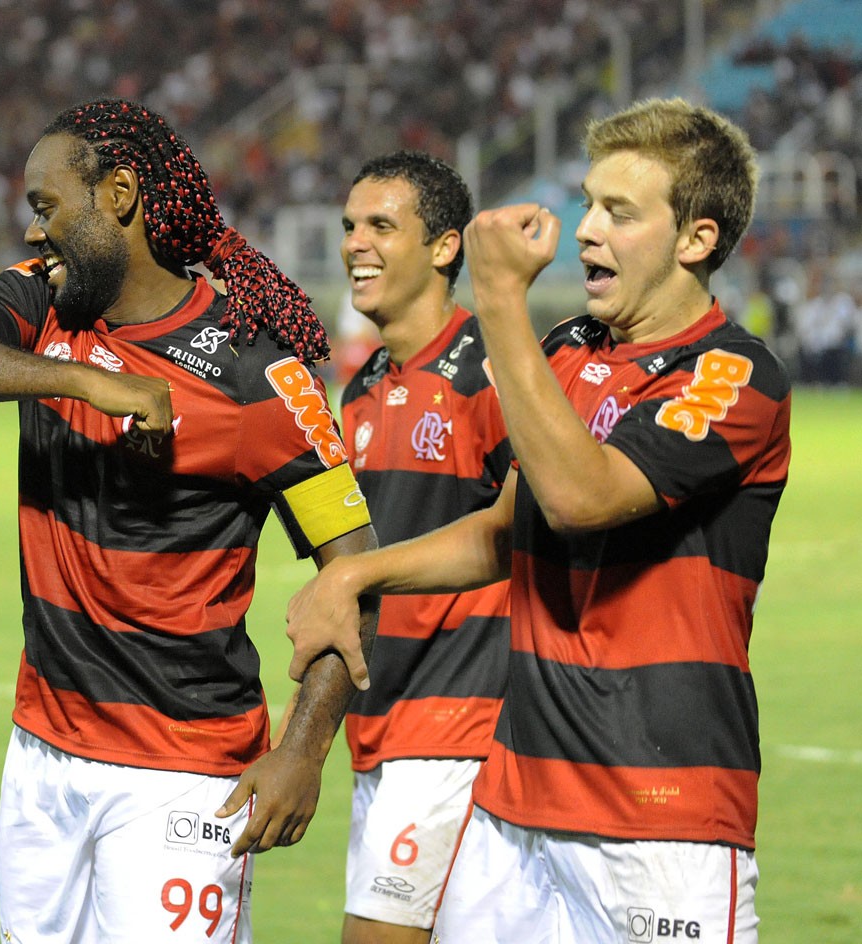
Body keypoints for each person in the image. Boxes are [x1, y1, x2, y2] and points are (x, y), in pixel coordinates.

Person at [285, 98, 791, 943]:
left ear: (697, 239)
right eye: (588, 202)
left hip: (661, 815)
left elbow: (582, 499)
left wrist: (497, 301)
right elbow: (503, 528)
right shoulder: (569, 349)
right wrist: (357, 572)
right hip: (515, 810)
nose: (587, 229)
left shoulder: (733, 372)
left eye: (620, 213)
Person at [0, 98, 379, 944]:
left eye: (46, 207)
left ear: (119, 194)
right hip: (42, 755)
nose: (33, 233)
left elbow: (359, 568)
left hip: (182, 774)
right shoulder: (43, 307)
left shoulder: (253, 374)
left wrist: (304, 748)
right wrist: (86, 382)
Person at [326, 152, 510, 944]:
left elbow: (525, 532)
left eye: (380, 226)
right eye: (349, 227)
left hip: (459, 728)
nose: (354, 245)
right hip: (381, 725)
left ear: (443, 248)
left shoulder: (492, 374)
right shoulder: (362, 387)